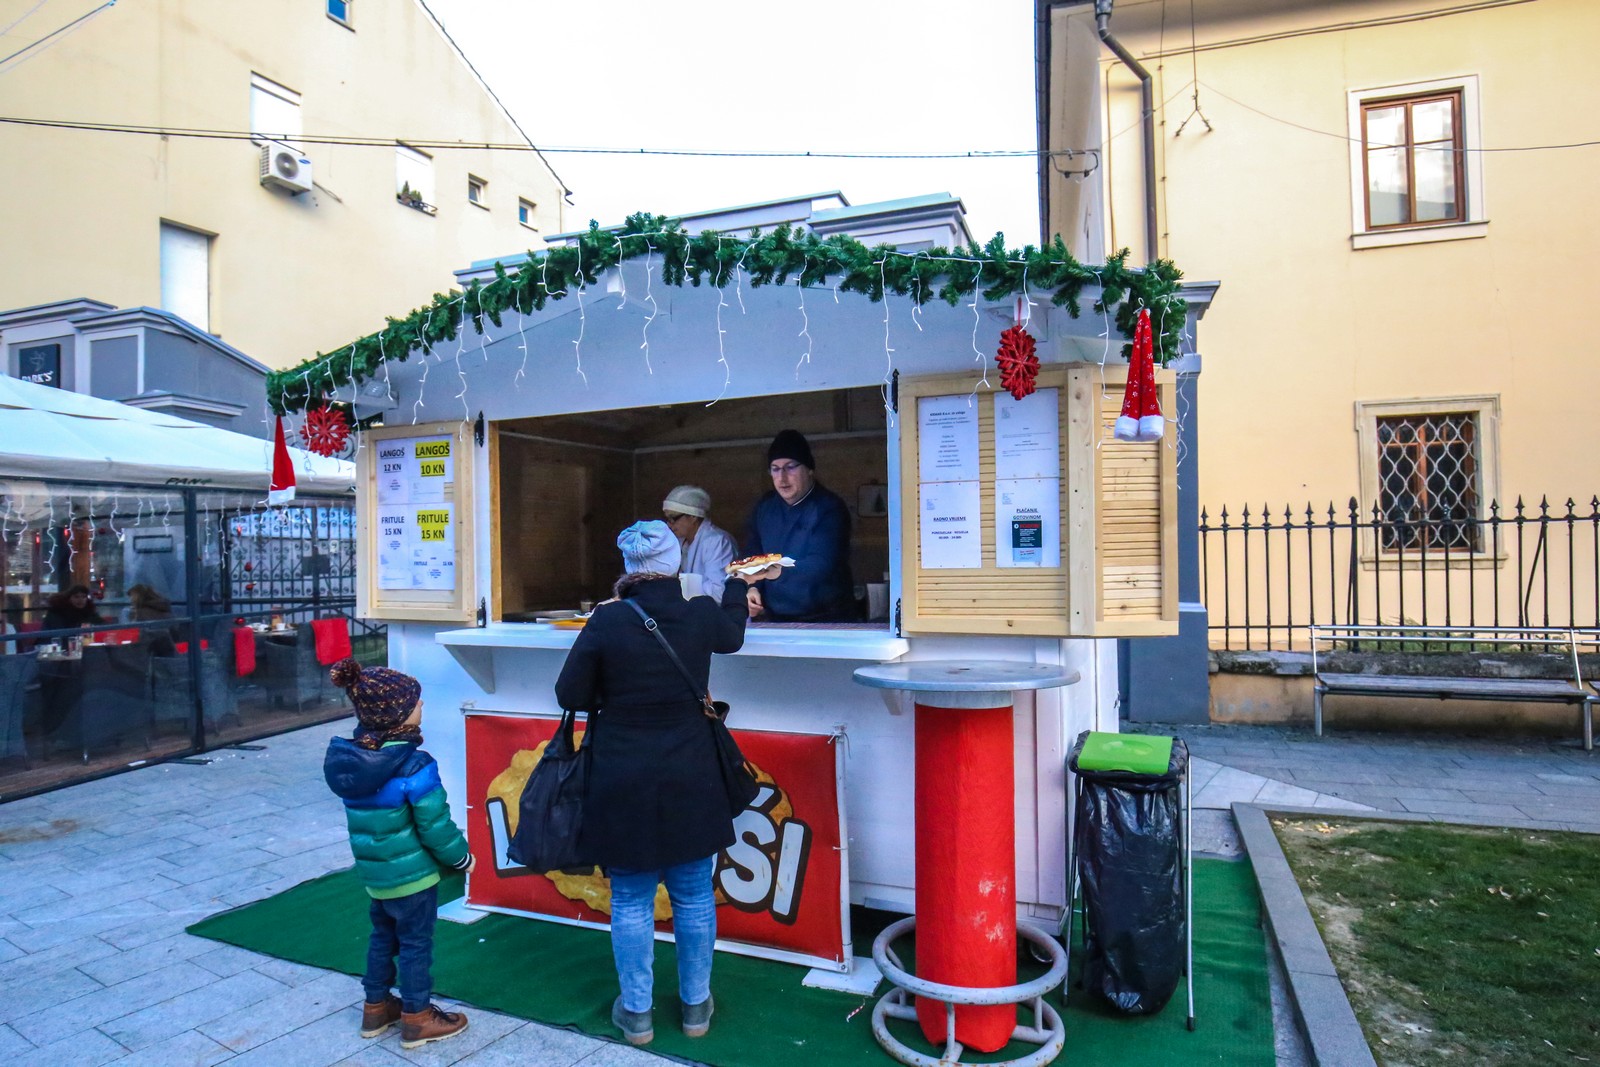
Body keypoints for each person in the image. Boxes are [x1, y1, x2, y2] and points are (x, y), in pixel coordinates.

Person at [555, 520, 780, 1046]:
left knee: (631, 898)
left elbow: (570, 694)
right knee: (695, 894)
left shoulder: (607, 622)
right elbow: (730, 634)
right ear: (674, 562)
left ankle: (637, 1014)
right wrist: (738, 584)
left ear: (629, 567)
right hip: (691, 771)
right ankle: (696, 1008)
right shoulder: (697, 612)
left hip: (622, 772)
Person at [323, 658, 475, 1051]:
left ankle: (375, 1008)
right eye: (416, 702)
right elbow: (435, 824)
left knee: (381, 937)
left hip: (377, 877)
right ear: (399, 713)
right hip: (413, 878)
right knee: (415, 943)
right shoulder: (413, 764)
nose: (422, 707)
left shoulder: (351, 760)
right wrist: (461, 858)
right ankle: (417, 1017)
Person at [743, 429, 856, 622]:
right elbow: (753, 553)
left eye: (790, 467)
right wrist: (752, 588)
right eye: (775, 469)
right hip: (775, 618)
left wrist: (771, 570)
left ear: (809, 469)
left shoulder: (829, 508)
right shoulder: (765, 508)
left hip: (827, 619)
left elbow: (821, 564)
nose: (782, 477)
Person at [662, 485, 738, 600]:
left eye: (673, 518)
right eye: (667, 519)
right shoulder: (679, 541)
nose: (669, 524)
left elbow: (719, 592)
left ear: (693, 516)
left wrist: (679, 592)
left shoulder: (717, 541)